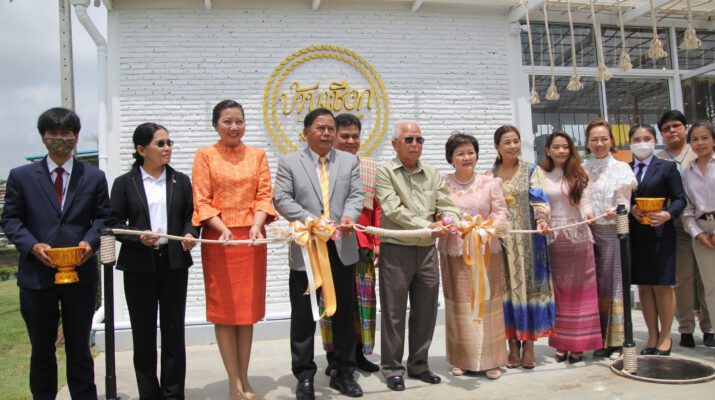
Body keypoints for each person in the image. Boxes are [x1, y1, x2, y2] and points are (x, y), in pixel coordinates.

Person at [1, 107, 110, 399]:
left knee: (79, 348)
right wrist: (32, 245)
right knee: (41, 349)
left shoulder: (93, 177)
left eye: (66, 133)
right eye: (53, 133)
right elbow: (11, 220)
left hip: (81, 275)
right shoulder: (21, 177)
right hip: (36, 277)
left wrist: (90, 242)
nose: (60, 138)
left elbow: (103, 218)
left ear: (76, 137)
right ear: (43, 137)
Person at [273, 108, 364, 400]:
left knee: (344, 313)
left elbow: (356, 195)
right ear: (306, 132)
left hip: (342, 247)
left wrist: (349, 216)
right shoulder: (290, 162)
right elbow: (281, 198)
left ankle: (344, 372)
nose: (326, 133)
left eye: (330, 128)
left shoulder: (349, 161)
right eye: (320, 128)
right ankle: (305, 376)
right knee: (303, 316)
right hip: (307, 249)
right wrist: (312, 221)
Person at [192, 100, 277, 400]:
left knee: (246, 312)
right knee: (225, 312)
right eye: (227, 121)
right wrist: (221, 227)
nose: (234, 127)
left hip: (251, 239)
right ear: (215, 125)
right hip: (220, 240)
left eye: (239, 121)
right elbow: (201, 200)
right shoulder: (205, 156)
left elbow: (264, 195)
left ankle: (244, 376)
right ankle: (233, 381)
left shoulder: (258, 155)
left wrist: (257, 224)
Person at [106, 122, 198, 399]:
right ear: (141, 149)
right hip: (139, 266)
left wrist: (189, 234)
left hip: (174, 263)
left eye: (169, 143)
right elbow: (113, 223)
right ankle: (149, 393)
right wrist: (138, 237)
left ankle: (173, 394)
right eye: (160, 143)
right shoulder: (125, 183)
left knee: (173, 331)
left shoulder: (180, 181)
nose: (167, 148)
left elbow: (191, 217)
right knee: (143, 333)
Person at [375, 120, 460, 391]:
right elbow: (393, 210)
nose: (415, 144)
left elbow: (447, 204)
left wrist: (449, 221)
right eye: (409, 139)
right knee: (394, 312)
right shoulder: (385, 172)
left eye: (419, 140)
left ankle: (419, 364)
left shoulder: (432, 173)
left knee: (426, 310)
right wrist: (428, 225)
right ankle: (392, 368)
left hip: (426, 251)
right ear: (395, 144)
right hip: (396, 249)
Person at [438, 132, 508, 379]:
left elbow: (500, 212)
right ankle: (462, 359)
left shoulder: (490, 182)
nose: (467, 157)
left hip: (486, 250)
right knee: (460, 304)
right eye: (460, 153)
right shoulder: (442, 184)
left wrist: (487, 230)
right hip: (455, 251)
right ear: (451, 158)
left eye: (470, 152)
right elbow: (438, 212)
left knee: (487, 301)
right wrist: (446, 223)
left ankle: (492, 360)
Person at [320, 113, 380, 375]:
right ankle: (334, 356)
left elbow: (377, 207)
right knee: (331, 302)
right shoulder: (323, 166)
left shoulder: (369, 167)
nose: (351, 141)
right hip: (330, 246)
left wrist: (377, 241)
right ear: (333, 137)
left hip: (362, 245)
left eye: (355, 136)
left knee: (362, 302)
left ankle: (359, 353)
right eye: (344, 136)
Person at [534, 132, 602, 363]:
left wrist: (588, 214)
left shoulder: (579, 173)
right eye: (556, 147)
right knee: (559, 293)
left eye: (565, 147)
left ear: (571, 149)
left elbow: (586, 200)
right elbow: (538, 202)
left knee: (582, 292)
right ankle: (561, 343)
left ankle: (579, 345)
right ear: (548, 150)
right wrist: (542, 221)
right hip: (553, 239)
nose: (561, 151)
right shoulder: (539, 174)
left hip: (579, 237)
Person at [493, 125, 555, 369]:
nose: (512, 146)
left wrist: (542, 220)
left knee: (529, 291)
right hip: (502, 244)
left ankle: (529, 346)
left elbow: (540, 199)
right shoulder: (491, 174)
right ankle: (512, 346)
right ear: (497, 147)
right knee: (506, 292)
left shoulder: (531, 170)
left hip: (530, 243)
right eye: (507, 142)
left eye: (516, 141)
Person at [655, 110, 713, 348]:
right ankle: (686, 328)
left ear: (685, 128)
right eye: (666, 128)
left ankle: (708, 328)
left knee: (706, 279)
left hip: (703, 223)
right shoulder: (659, 158)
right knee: (683, 278)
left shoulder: (698, 152)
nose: (672, 131)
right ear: (662, 133)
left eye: (676, 126)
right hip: (677, 225)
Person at [582, 118, 637, 360]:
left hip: (615, 232)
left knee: (615, 283)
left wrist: (617, 210)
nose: (599, 143)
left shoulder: (622, 168)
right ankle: (600, 340)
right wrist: (587, 212)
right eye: (594, 139)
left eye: (604, 138)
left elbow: (624, 201)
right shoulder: (582, 168)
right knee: (595, 285)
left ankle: (618, 341)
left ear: (611, 141)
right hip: (589, 232)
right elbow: (582, 197)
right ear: (587, 142)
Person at [629, 124, 686, 356]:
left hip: (661, 234)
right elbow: (621, 198)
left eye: (647, 138)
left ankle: (666, 336)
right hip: (636, 235)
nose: (642, 143)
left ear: (654, 141)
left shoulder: (667, 167)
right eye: (637, 139)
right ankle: (652, 335)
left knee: (662, 285)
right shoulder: (625, 169)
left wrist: (667, 214)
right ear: (630, 143)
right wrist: (631, 208)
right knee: (644, 286)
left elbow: (680, 199)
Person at [680, 121, 715, 349]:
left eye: (705, 138)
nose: (700, 143)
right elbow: (687, 210)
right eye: (694, 139)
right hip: (701, 232)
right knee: (711, 287)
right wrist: (697, 233)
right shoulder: (687, 173)